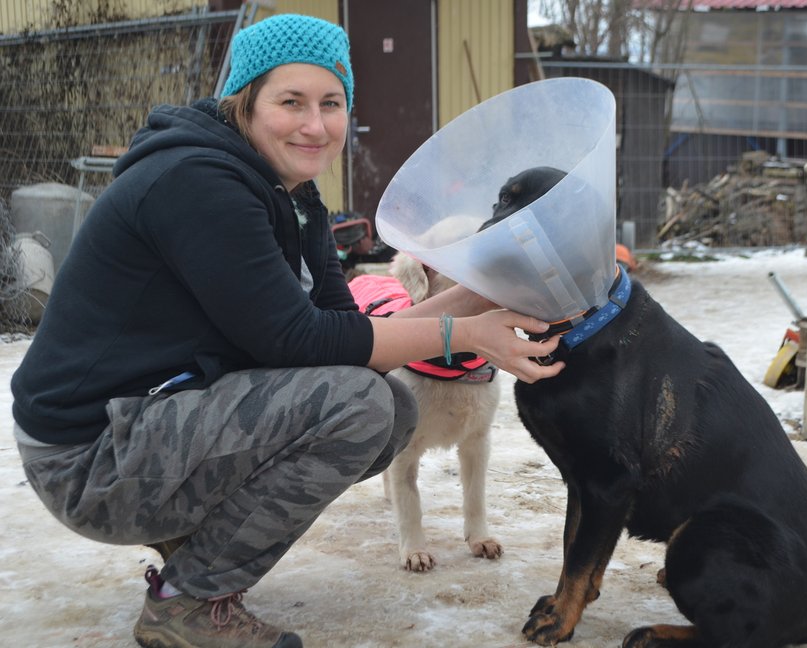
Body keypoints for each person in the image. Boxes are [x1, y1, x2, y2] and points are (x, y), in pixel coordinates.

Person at [10, 14, 563, 648]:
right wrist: (463, 336)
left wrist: (469, 298)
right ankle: (187, 601)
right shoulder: (199, 183)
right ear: (244, 103)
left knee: (388, 406)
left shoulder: (292, 196)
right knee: (357, 406)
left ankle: (196, 541)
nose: (315, 124)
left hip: (150, 424)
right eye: (290, 102)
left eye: (331, 103)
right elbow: (298, 342)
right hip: (88, 460)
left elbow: (344, 333)